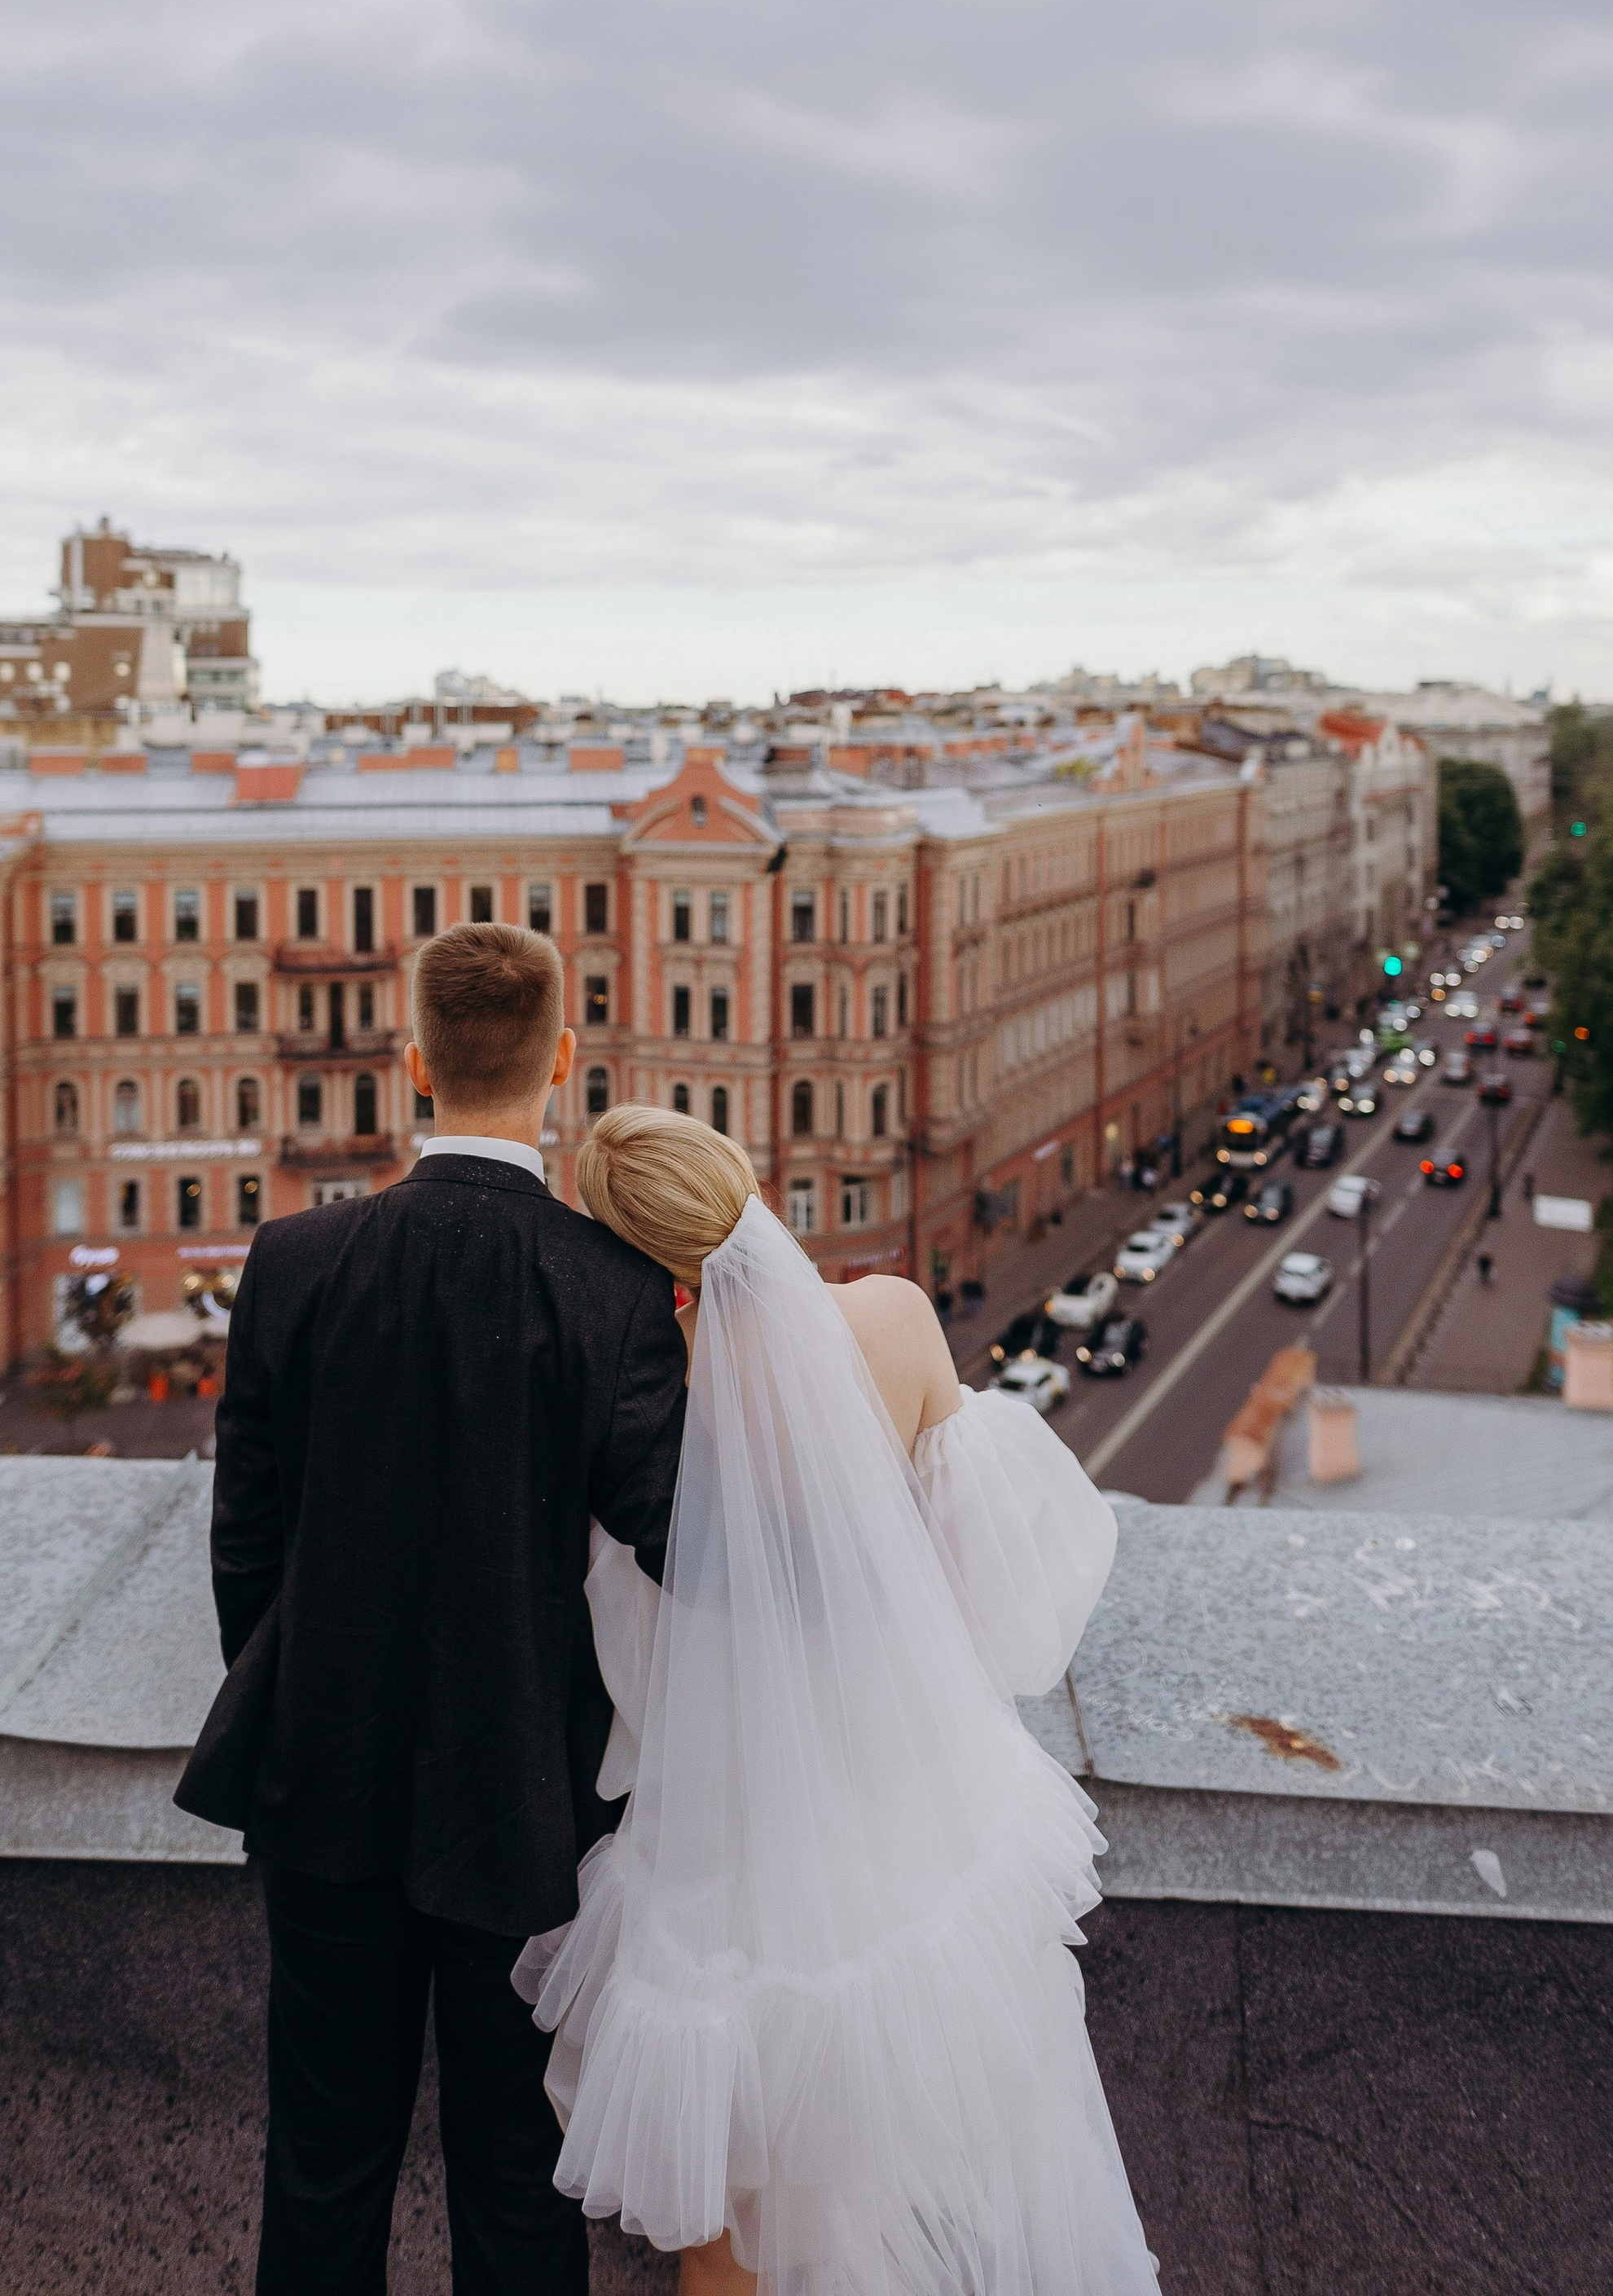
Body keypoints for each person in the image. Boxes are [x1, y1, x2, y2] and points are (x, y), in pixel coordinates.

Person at [516, 1104, 1156, 2296]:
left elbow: (627, 1700)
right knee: (972, 2188)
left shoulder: (630, 1420)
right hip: (918, 1838)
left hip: (726, 1867)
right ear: (744, 1190)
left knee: (727, 2244)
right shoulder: (898, 1320)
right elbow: (1007, 1609)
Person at [182, 924, 687, 2296]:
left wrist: (299, 1711)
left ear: (414, 1064)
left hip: (324, 1782)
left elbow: (249, 1540)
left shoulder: (294, 1260)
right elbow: (688, 1546)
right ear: (562, 1066)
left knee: (324, 2161)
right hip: (529, 1807)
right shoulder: (618, 1292)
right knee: (521, 2183)